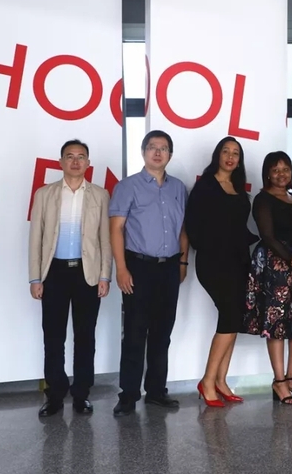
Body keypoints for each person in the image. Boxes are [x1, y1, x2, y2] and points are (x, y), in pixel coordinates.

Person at [28, 139, 111, 417]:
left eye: (81, 157)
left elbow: (105, 239)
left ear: (88, 163)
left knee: (85, 337)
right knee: (53, 337)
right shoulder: (45, 194)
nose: (76, 161)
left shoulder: (100, 195)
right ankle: (54, 394)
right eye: (70, 156)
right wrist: (35, 278)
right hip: (54, 273)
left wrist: (105, 275)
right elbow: (36, 238)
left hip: (87, 274)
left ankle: (81, 394)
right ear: (61, 162)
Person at [108, 130, 189, 416]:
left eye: (163, 148)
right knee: (134, 332)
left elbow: (183, 228)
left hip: (169, 267)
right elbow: (116, 229)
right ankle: (128, 395)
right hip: (138, 267)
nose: (157, 152)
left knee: (162, 332)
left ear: (170, 155)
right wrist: (121, 268)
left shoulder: (178, 188)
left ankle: (156, 391)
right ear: (143, 152)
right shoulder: (127, 186)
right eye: (152, 147)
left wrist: (182, 263)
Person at [185, 136, 259, 407]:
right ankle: (207, 381)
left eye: (235, 153)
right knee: (229, 315)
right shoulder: (205, 186)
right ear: (217, 155)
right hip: (213, 262)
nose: (230, 156)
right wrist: (210, 246)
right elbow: (192, 225)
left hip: (238, 261)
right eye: (225, 151)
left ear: (239, 160)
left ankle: (221, 379)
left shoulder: (239, 188)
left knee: (235, 318)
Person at [243, 151, 292, 405]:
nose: (281, 174)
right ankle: (279, 381)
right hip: (275, 265)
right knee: (276, 323)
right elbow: (267, 235)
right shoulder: (262, 199)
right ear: (267, 173)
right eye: (275, 170)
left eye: (285, 169)